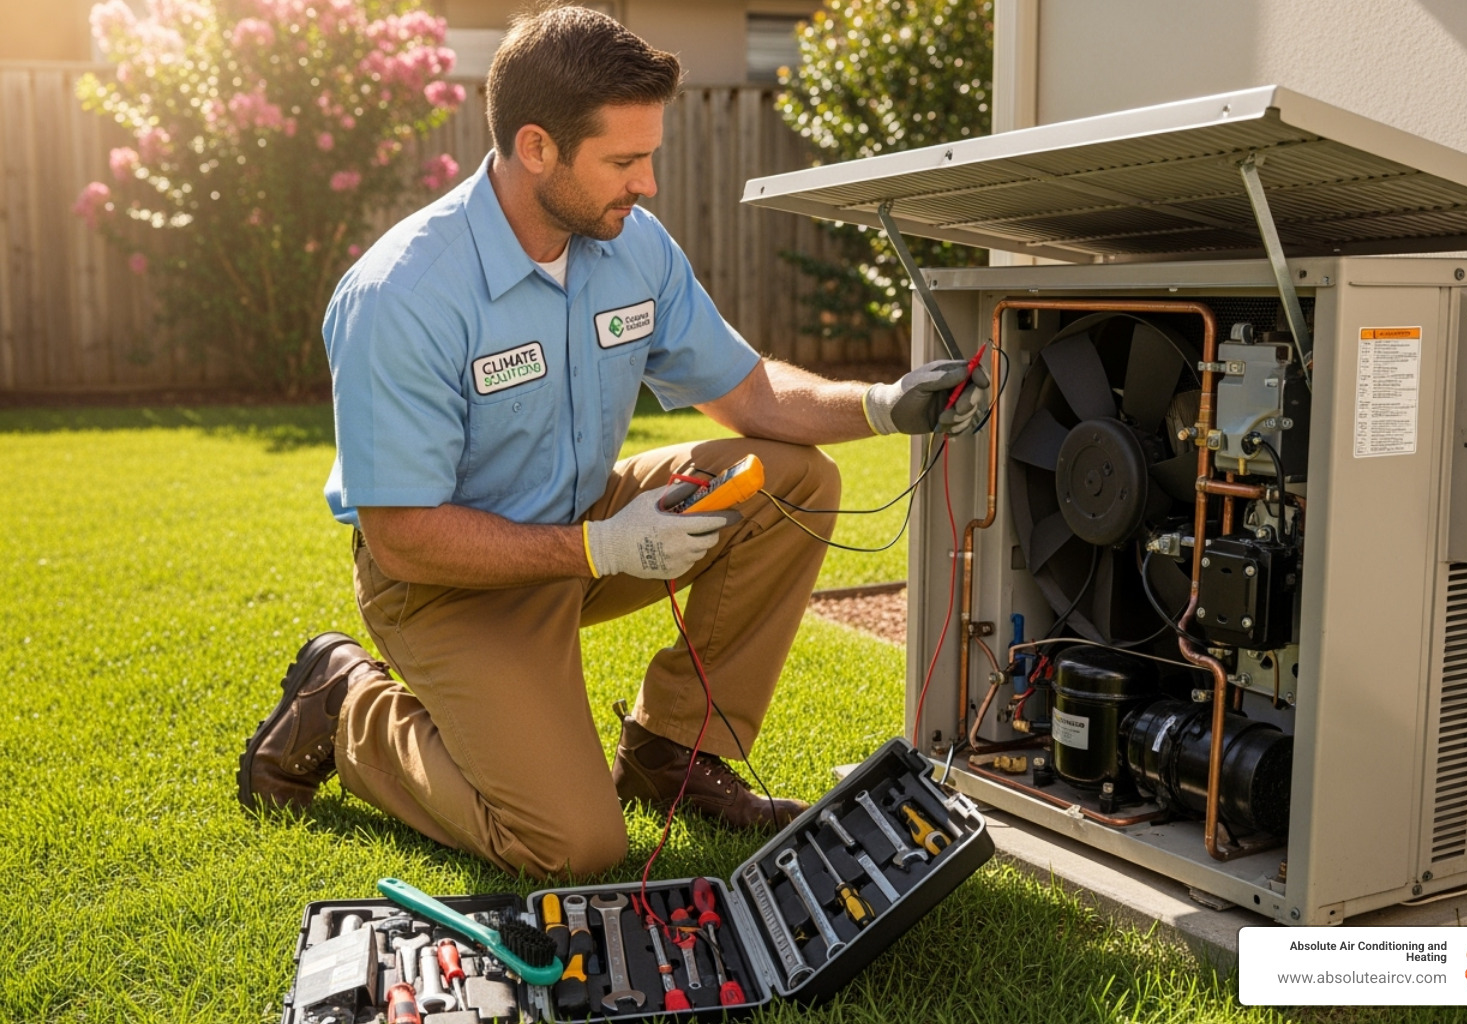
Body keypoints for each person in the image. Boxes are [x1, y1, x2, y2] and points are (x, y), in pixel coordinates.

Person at [237, 4, 987, 878]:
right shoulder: (404, 295)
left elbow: (746, 391)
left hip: (587, 523)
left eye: (650, 156)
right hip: (446, 583)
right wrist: (602, 546)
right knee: (574, 847)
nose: (648, 184)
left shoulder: (630, 245)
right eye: (625, 161)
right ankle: (350, 706)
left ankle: (672, 754)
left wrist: (886, 403)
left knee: (790, 479)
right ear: (537, 148)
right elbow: (403, 535)